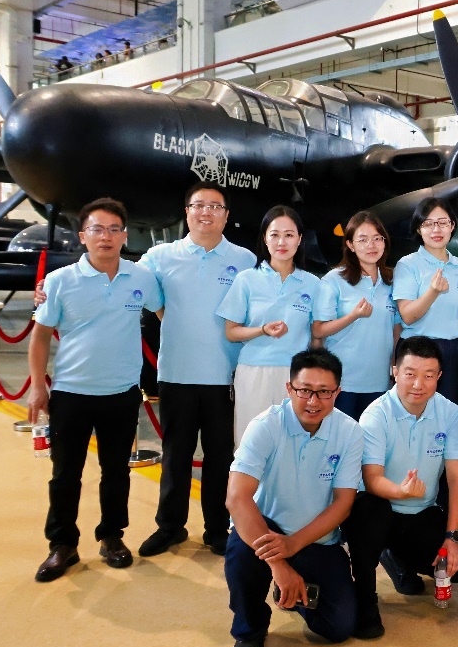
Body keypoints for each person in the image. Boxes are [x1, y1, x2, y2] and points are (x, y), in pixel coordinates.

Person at [26, 198, 163, 583]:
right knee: (65, 475)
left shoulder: (140, 277)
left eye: (114, 229)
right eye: (97, 229)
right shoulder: (59, 281)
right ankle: (62, 545)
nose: (106, 236)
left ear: (125, 235)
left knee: (116, 472)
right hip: (71, 393)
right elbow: (39, 336)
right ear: (83, 236)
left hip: (121, 393)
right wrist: (37, 387)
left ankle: (112, 537)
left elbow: (165, 311)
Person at [136, 182, 257, 559]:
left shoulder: (245, 260)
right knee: (176, 455)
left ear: (226, 215)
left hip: (225, 376)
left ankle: (216, 529)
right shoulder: (160, 257)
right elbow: (135, 289)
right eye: (199, 205)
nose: (206, 212)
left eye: (215, 206)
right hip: (177, 374)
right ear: (186, 211)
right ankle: (170, 527)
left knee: (221, 457)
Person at [224, 349, 362, 647]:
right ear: (289, 388)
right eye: (304, 390)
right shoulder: (265, 425)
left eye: (324, 392)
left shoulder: (349, 432)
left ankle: (293, 593)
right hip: (265, 532)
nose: (313, 401)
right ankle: (249, 629)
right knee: (242, 555)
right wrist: (279, 564)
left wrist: (294, 545)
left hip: (315, 537)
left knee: (338, 627)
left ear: (337, 392)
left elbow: (343, 503)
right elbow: (237, 498)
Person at [343, 336, 458, 639]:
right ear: (395, 371)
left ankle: (396, 557)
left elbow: (457, 479)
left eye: (428, 376)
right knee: (369, 512)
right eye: (410, 374)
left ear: (440, 376)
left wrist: (453, 536)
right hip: (379, 507)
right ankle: (366, 599)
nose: (418, 384)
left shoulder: (449, 413)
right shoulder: (376, 414)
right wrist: (400, 492)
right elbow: (371, 478)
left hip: (421, 510)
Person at [217, 205, 320, 446]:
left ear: (300, 239)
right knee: (252, 443)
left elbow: (317, 336)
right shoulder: (246, 279)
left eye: (289, 235)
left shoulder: (313, 284)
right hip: (254, 372)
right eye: (274, 235)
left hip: (298, 376)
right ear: (265, 238)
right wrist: (262, 330)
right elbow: (231, 332)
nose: (281, 242)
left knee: (294, 444)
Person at [312, 211, 399, 420]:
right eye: (363, 240)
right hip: (342, 381)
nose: (371, 245)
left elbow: (396, 329)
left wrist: (395, 368)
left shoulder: (392, 281)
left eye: (377, 238)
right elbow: (318, 330)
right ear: (350, 245)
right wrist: (353, 316)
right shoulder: (334, 280)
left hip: (379, 381)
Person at [392, 198, 458, 406]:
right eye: (428, 223)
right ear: (419, 229)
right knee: (412, 410)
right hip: (416, 349)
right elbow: (407, 315)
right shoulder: (408, 264)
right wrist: (433, 292)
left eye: (443, 222)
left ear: (452, 226)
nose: (436, 229)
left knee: (450, 411)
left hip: (454, 350)